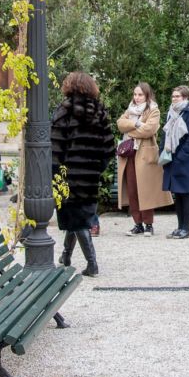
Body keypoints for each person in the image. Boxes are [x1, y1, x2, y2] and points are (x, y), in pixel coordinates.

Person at [51, 72, 115, 276]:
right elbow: (109, 148)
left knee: (76, 220)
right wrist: (96, 167)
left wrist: (56, 173)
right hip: (90, 176)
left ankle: (92, 264)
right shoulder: (100, 111)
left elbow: (55, 147)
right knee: (77, 217)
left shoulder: (64, 111)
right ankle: (66, 255)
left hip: (67, 175)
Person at [117, 82, 172, 236]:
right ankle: (137, 224)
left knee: (145, 190)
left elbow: (149, 129)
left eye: (140, 94)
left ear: (147, 95)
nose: (137, 97)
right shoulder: (130, 110)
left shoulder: (153, 110)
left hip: (145, 156)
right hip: (129, 155)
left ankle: (149, 225)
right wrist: (135, 123)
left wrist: (131, 132)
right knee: (133, 190)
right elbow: (120, 124)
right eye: (135, 94)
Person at [162, 85, 189, 239]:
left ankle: (186, 228)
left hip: (184, 160)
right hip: (171, 158)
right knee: (177, 193)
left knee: (185, 193)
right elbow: (166, 134)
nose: (174, 98)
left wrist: (181, 157)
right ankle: (179, 227)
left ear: (185, 97)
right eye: (173, 96)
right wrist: (163, 153)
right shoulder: (171, 112)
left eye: (177, 96)